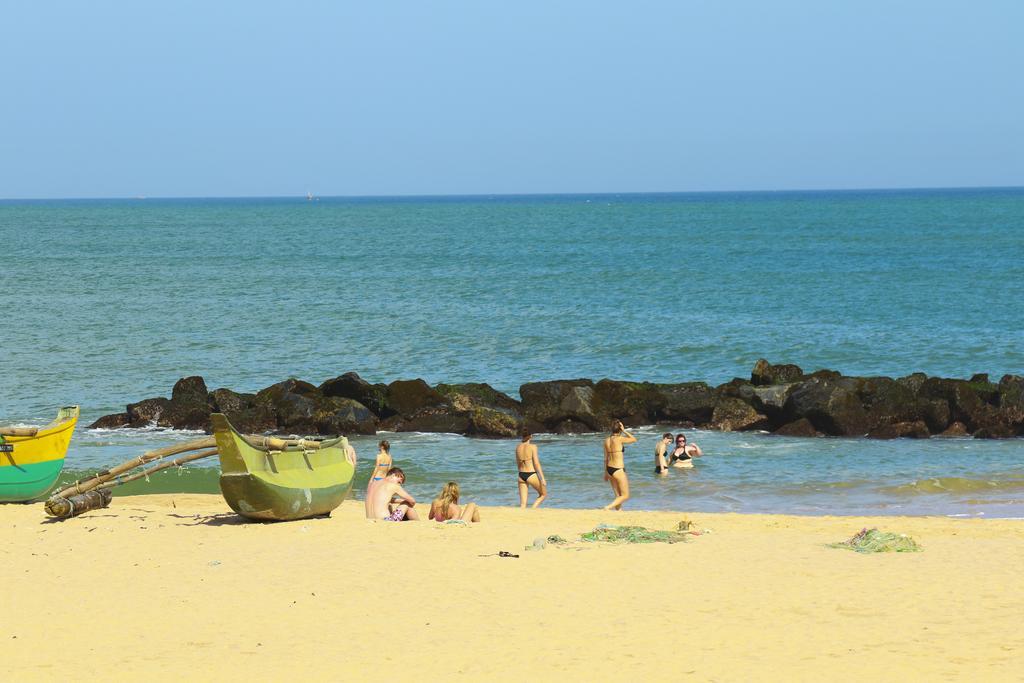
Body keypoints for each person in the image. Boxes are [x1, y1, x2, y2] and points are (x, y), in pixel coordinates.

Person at [603, 420, 637, 510]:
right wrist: (625, 430)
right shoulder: (620, 439)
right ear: (620, 429)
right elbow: (634, 439)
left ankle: (619, 512)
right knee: (625, 495)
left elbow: (605, 458)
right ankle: (608, 507)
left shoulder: (606, 440)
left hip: (609, 469)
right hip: (618, 469)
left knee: (618, 496)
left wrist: (605, 473)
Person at [515, 431, 547, 508]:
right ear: (531, 436)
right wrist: (542, 478)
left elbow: (518, 463)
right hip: (531, 474)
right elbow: (536, 463)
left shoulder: (518, 447)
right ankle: (533, 509)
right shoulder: (533, 447)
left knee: (523, 504)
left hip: (521, 475)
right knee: (543, 494)